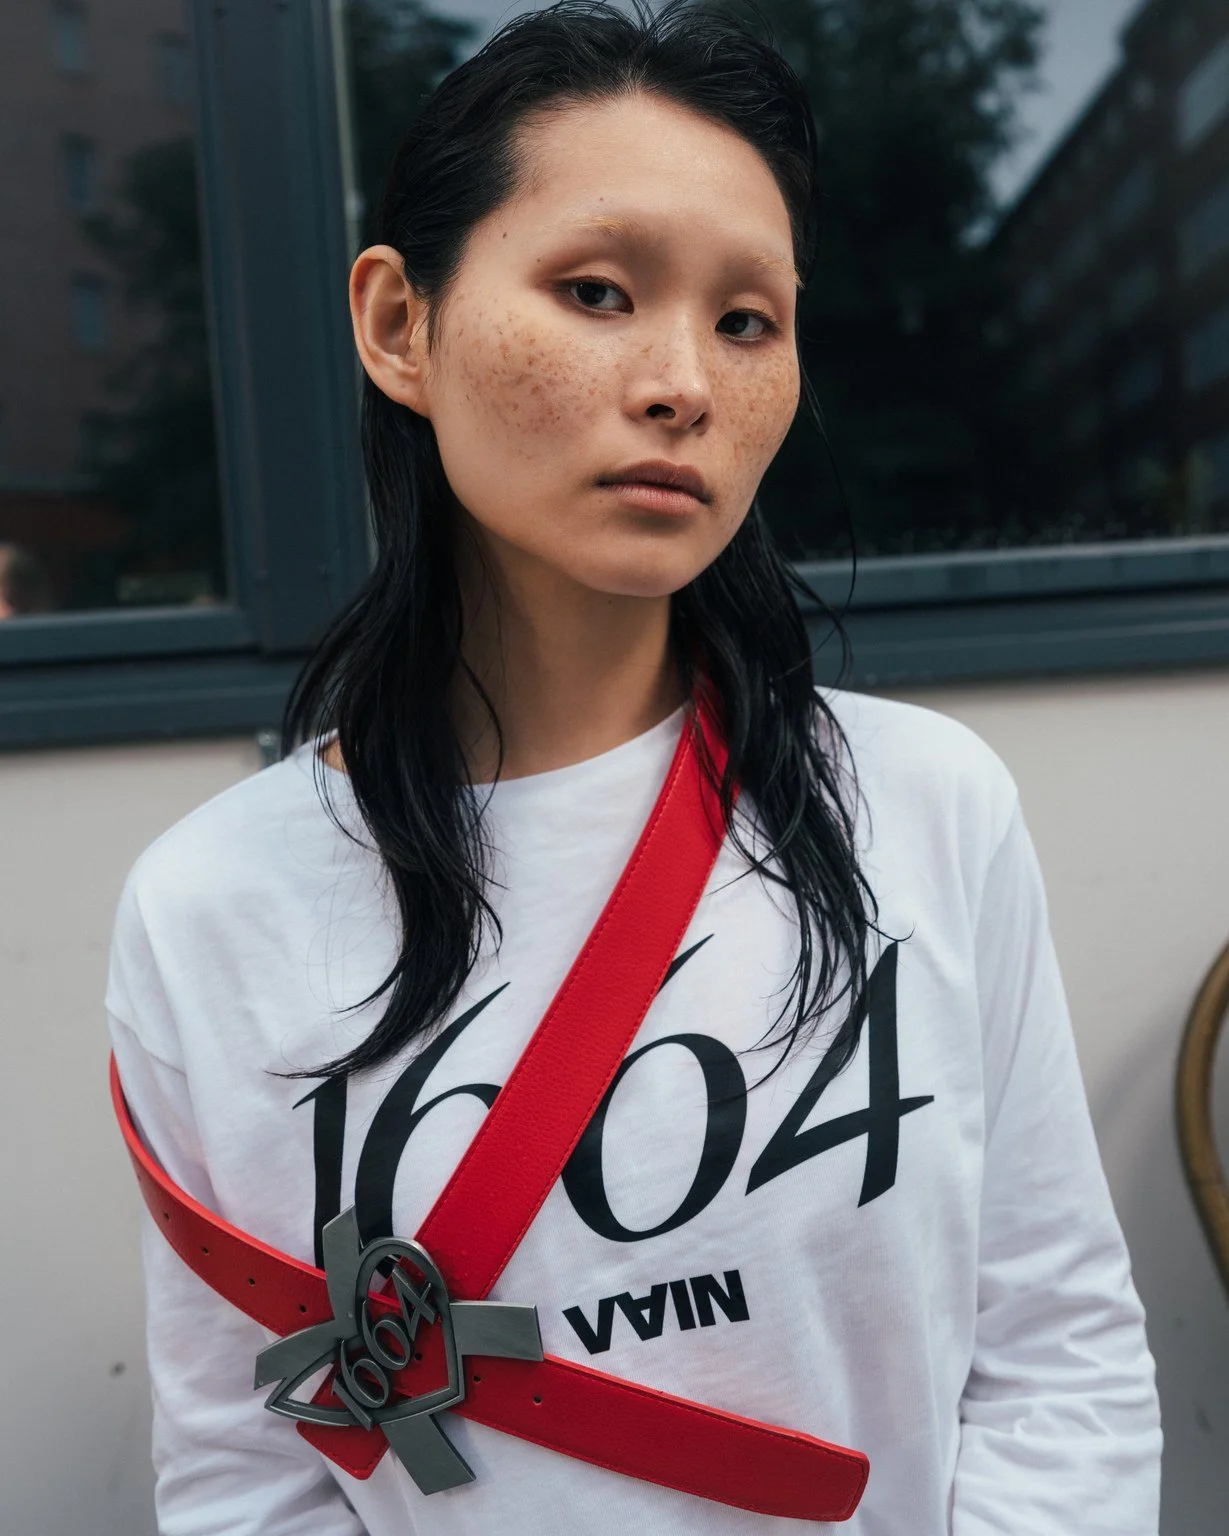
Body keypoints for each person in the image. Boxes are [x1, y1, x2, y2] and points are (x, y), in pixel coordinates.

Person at [105, 3, 1163, 1531]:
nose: (685, 382)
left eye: (748, 321)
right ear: (402, 325)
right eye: (596, 290)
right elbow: (251, 1471)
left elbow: (1057, 1353)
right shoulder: (213, 905)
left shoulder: (926, 808)